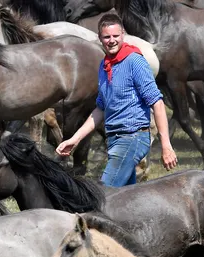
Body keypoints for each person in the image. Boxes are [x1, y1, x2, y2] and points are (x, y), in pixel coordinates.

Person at [56, 14, 177, 187]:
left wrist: (166, 145)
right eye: (107, 37)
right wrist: (74, 139)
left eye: (115, 36)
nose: (111, 40)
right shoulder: (105, 66)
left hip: (132, 137)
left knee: (105, 194)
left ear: (123, 35)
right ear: (100, 39)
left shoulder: (134, 61)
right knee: (124, 201)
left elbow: (157, 103)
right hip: (115, 140)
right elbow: (100, 109)